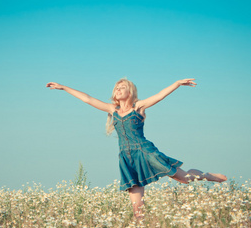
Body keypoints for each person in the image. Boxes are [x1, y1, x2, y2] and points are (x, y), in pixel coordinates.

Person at [46, 78, 227, 220]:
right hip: (127, 158)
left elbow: (159, 96)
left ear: (130, 92)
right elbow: (88, 98)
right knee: (136, 206)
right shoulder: (112, 109)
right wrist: (63, 87)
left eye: (122, 87)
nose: (118, 90)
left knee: (184, 179)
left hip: (146, 153)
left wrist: (177, 84)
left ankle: (206, 175)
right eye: (116, 88)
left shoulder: (138, 107)